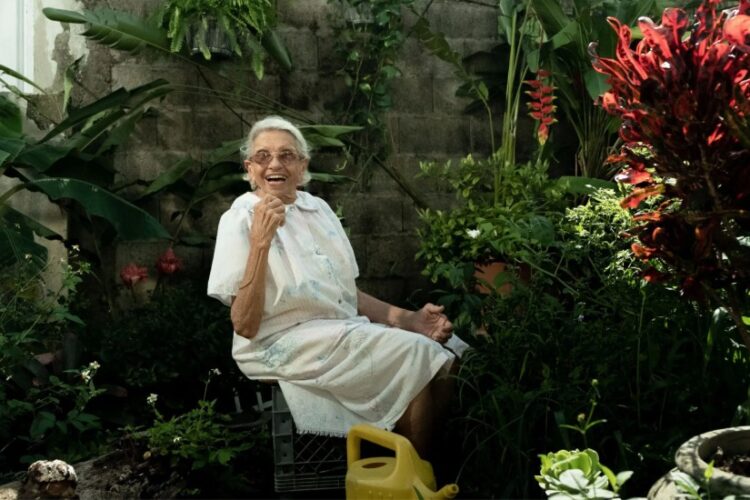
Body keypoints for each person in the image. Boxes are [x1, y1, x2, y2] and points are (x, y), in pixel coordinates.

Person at [207, 115, 468, 455]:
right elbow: (244, 325)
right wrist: (260, 243)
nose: (274, 163)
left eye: (287, 155)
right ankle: (420, 477)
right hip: (274, 341)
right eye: (262, 156)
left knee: (449, 350)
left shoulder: (319, 210)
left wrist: (409, 319)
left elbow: (343, 293)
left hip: (337, 329)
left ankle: (412, 466)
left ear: (303, 167)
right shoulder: (239, 219)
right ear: (250, 168)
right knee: (414, 355)